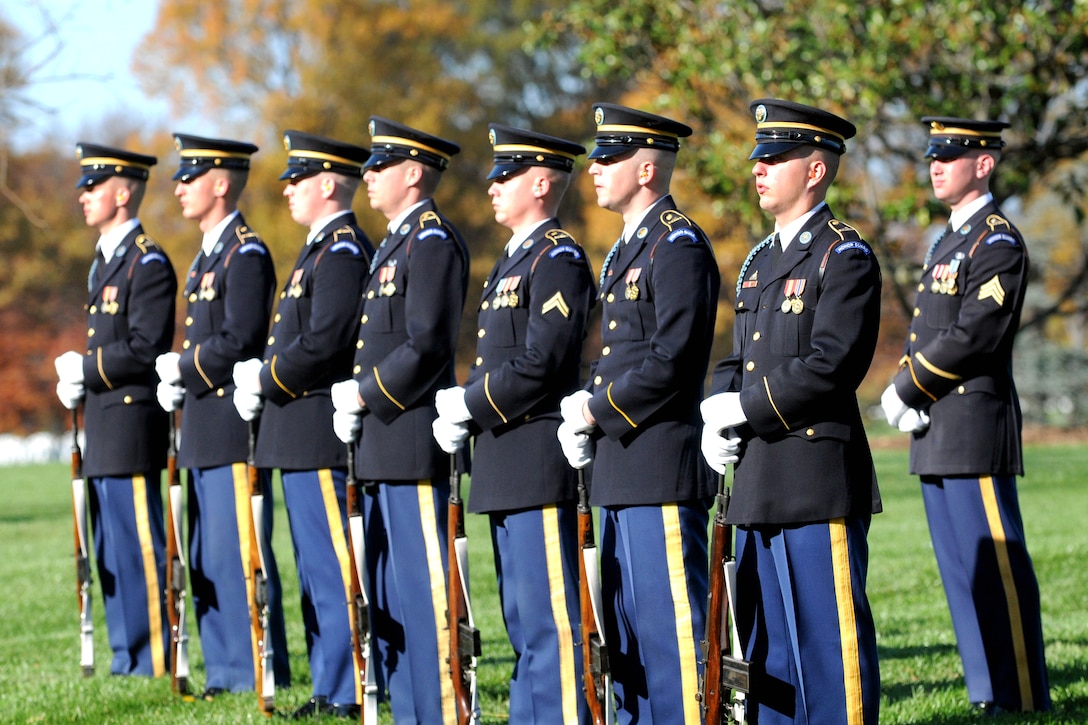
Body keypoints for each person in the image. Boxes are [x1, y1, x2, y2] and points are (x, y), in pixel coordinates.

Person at [700, 99, 882, 724]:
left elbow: (832, 365)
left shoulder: (843, 255)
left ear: (815, 170)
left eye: (775, 158)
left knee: (829, 652)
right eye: (759, 158)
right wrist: (711, 412)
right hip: (757, 480)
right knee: (767, 655)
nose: (759, 168)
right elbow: (740, 357)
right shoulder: (758, 261)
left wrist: (743, 409)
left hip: (813, 478)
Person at [556, 102, 720, 724]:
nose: (596, 169)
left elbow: (671, 358)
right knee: (623, 637)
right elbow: (622, 352)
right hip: (623, 465)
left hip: (657, 462)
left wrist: (595, 410)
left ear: (647, 169)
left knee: (669, 635)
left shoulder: (676, 244)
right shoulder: (628, 247)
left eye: (611, 158)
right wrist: (589, 404)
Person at [880, 117, 1050, 715]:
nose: (936, 165)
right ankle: (986, 692)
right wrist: (914, 395)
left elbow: (975, 334)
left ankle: (1023, 695)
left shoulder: (996, 240)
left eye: (950, 155)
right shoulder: (948, 240)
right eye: (933, 155)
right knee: (959, 571)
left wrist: (908, 386)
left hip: (973, 426)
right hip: (938, 428)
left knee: (995, 567)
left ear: (984, 164)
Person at [432, 124, 595, 724]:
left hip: (535, 459)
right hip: (505, 461)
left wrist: (469, 404)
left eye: (507, 175)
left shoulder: (558, 258)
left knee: (550, 622)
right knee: (521, 621)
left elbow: (541, 363)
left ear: (542, 181)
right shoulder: (514, 259)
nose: (493, 185)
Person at [231, 130, 374, 719]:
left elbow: (324, 342)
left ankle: (347, 687)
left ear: (328, 184)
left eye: (298, 180)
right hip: (293, 433)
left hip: (315, 429)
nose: (287, 191)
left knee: (331, 564)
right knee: (313, 569)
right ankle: (328, 681)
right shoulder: (317, 248)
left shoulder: (342, 250)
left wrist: (263, 378)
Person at [329, 117, 468, 724]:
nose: (368, 176)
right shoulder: (395, 241)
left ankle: (436, 711)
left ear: (413, 173)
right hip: (384, 444)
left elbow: (427, 343)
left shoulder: (430, 240)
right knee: (387, 595)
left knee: (423, 596)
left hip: (409, 441)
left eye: (380, 166)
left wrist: (362, 394)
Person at [154, 133, 290, 698]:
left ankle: (255, 664)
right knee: (208, 552)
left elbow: (239, 339)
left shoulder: (245, 252)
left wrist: (182, 368)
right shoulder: (210, 252)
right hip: (203, 427)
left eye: (190, 177)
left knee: (239, 551)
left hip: (231, 425)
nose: (180, 187)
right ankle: (226, 669)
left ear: (221, 182)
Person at [54, 142, 175, 677]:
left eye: (93, 187)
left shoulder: (145, 261)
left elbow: (146, 347)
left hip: (129, 423)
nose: (83, 197)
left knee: (138, 552)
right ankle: (127, 657)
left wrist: (85, 367)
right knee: (108, 555)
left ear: (122, 193)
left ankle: (152, 658)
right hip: (104, 424)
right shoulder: (104, 260)